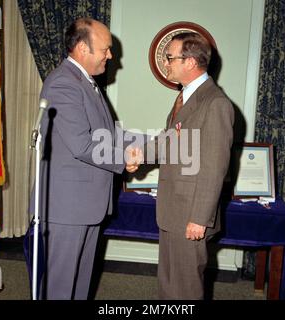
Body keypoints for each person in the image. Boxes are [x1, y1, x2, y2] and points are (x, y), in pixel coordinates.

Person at [35, 18, 140, 300]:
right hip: (68, 207)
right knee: (61, 286)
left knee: (79, 285)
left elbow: (108, 135)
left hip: (84, 205)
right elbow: (83, 143)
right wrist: (122, 160)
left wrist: (155, 144)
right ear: (83, 48)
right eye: (106, 49)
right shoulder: (64, 84)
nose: (111, 55)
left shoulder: (85, 82)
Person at [149, 32, 234, 299]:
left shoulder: (215, 103)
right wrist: (137, 156)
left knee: (185, 288)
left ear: (190, 62)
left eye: (170, 58)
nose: (166, 63)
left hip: (190, 214)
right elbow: (170, 144)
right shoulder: (186, 97)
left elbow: (214, 166)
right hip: (173, 210)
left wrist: (199, 218)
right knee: (169, 282)